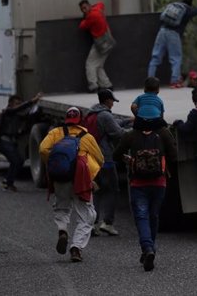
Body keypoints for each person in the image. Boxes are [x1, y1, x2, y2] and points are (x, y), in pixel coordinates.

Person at [40, 107, 104, 263]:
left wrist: (53, 164)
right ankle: (76, 247)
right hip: (81, 178)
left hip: (61, 177)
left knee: (62, 206)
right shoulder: (87, 136)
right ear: (80, 120)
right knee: (87, 215)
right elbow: (100, 158)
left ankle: (62, 230)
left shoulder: (56, 133)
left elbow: (42, 149)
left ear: (66, 119)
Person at [113, 125, 177, 271]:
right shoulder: (163, 133)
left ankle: (147, 248)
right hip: (159, 183)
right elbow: (174, 156)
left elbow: (116, 155)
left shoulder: (131, 135)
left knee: (142, 217)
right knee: (154, 216)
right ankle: (150, 249)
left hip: (138, 184)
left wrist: (128, 159)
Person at [86, 89, 132, 236]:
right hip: (105, 159)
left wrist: (127, 120)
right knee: (113, 190)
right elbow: (117, 133)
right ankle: (108, 223)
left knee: (97, 190)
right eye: (112, 101)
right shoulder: (105, 115)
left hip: (92, 158)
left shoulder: (93, 113)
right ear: (107, 100)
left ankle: (93, 223)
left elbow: (113, 123)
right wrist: (134, 130)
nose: (113, 103)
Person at [147, 0, 197, 88]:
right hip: (173, 34)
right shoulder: (187, 10)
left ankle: (149, 82)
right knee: (176, 58)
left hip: (162, 31)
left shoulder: (174, 6)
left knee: (155, 57)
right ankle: (175, 81)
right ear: (190, 4)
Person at [0, 93, 42, 192]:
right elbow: (17, 109)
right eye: (16, 103)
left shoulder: (18, 116)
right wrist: (32, 101)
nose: (18, 106)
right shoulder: (8, 112)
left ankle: (7, 181)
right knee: (16, 161)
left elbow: (29, 116)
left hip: (11, 142)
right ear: (10, 104)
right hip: (4, 142)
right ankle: (8, 183)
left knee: (19, 161)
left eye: (19, 103)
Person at [79, 0, 116, 93]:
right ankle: (107, 85)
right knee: (98, 65)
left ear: (88, 6)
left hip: (101, 43)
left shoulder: (91, 16)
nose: (84, 10)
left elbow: (82, 26)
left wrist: (85, 16)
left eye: (84, 8)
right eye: (82, 9)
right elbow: (101, 3)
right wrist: (92, 7)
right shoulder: (97, 9)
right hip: (109, 41)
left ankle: (93, 86)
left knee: (90, 64)